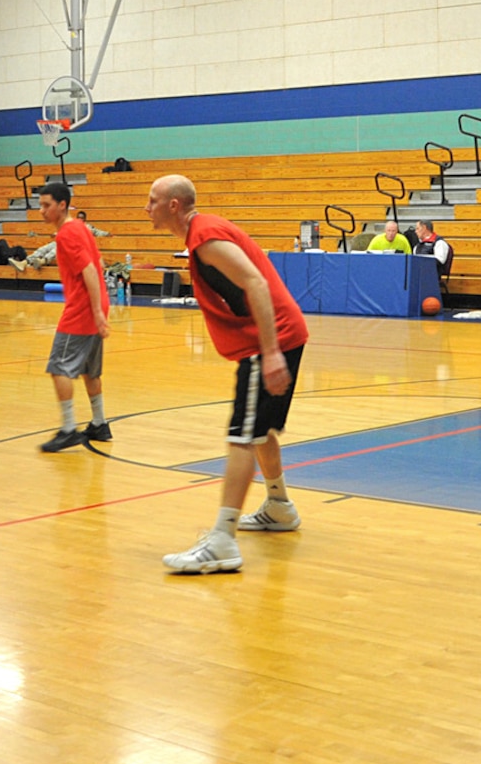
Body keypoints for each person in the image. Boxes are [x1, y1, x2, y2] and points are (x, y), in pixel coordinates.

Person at [145, 175, 311, 574]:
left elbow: (254, 282)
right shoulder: (201, 235)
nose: (145, 207)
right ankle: (279, 506)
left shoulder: (205, 238)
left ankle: (222, 542)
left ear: (173, 206)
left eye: (151, 200)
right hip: (279, 336)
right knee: (260, 430)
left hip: (269, 340)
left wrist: (270, 352)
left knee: (242, 436)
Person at [34, 181, 113, 453]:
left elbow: (90, 270)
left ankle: (69, 429)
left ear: (62, 205)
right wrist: (101, 307)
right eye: (40, 205)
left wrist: (96, 313)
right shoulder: (80, 227)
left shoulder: (67, 234)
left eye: (46, 205)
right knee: (90, 370)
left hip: (82, 310)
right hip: (95, 303)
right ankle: (100, 424)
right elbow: (100, 263)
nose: (41, 211)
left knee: (59, 367)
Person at [412, 218, 454, 292]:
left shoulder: (440, 243)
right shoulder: (417, 246)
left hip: (432, 276)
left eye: (417, 228)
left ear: (424, 228)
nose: (415, 231)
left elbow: (440, 261)